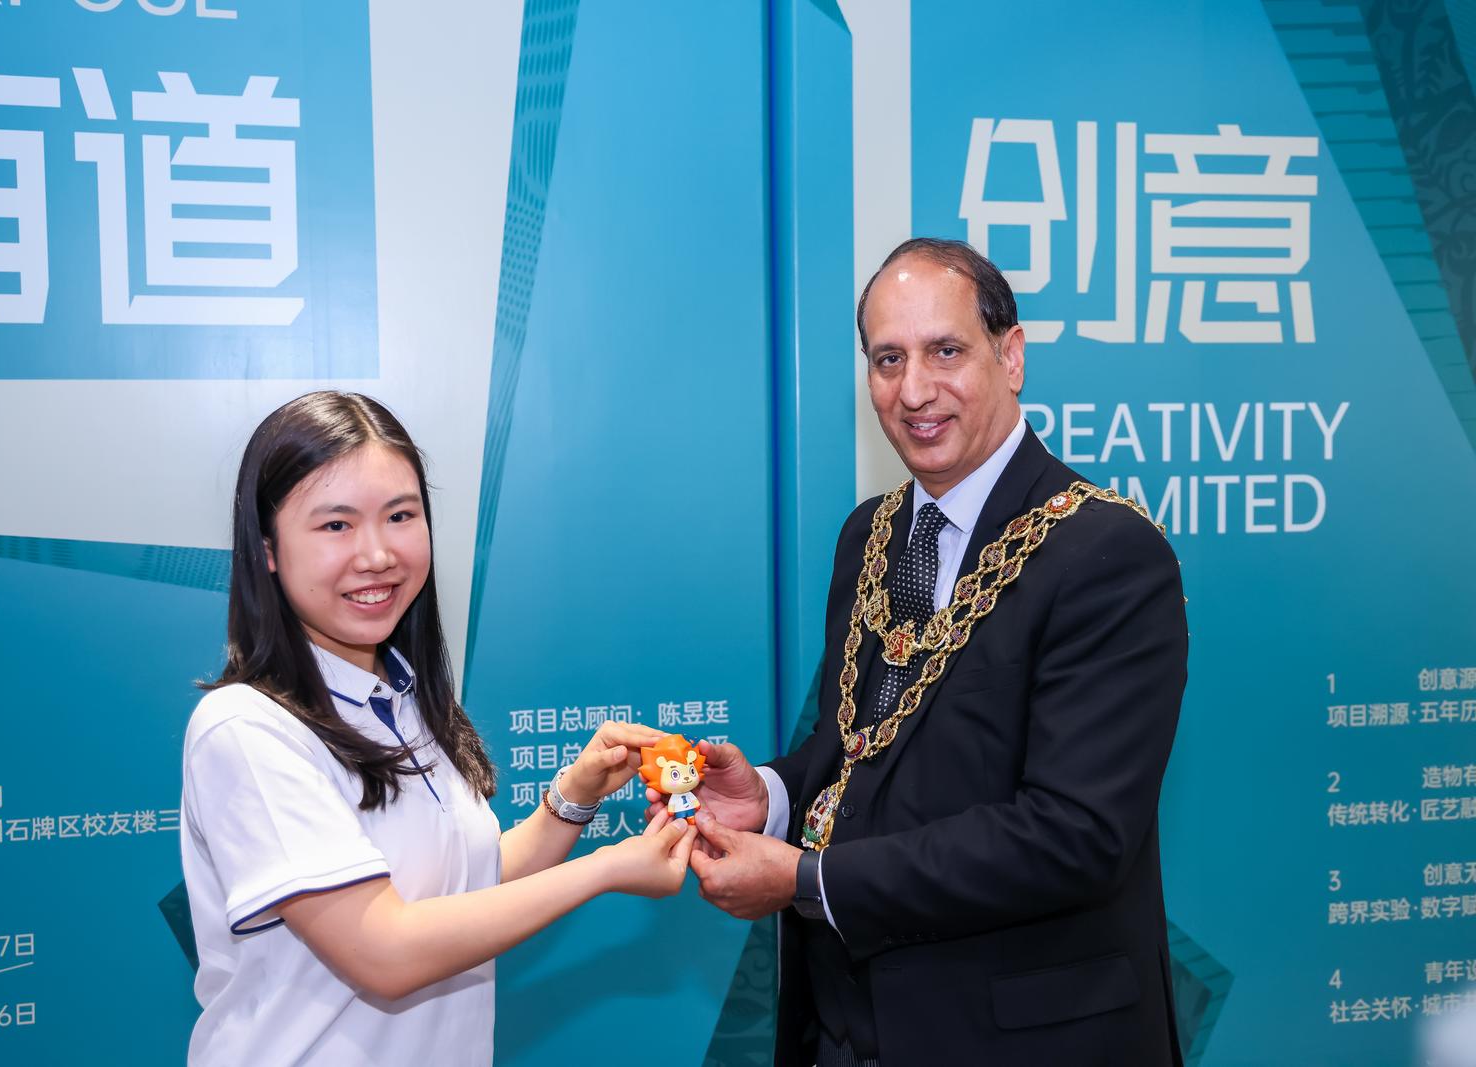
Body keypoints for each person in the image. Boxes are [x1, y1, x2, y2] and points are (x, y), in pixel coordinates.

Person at [657, 239, 1188, 1066]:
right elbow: (861, 753)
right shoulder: (869, 534)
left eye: (946, 352)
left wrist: (806, 879)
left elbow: (1075, 834)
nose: (913, 391)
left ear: (1011, 356)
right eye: (888, 359)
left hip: (1023, 1041)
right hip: (845, 1027)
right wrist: (769, 796)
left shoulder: (1106, 552)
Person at [180, 391, 696, 1066]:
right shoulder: (246, 728)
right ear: (267, 547)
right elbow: (385, 950)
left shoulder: (403, 695)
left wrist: (575, 795)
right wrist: (605, 870)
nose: (376, 554)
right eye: (335, 525)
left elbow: (461, 890)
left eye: (400, 515)